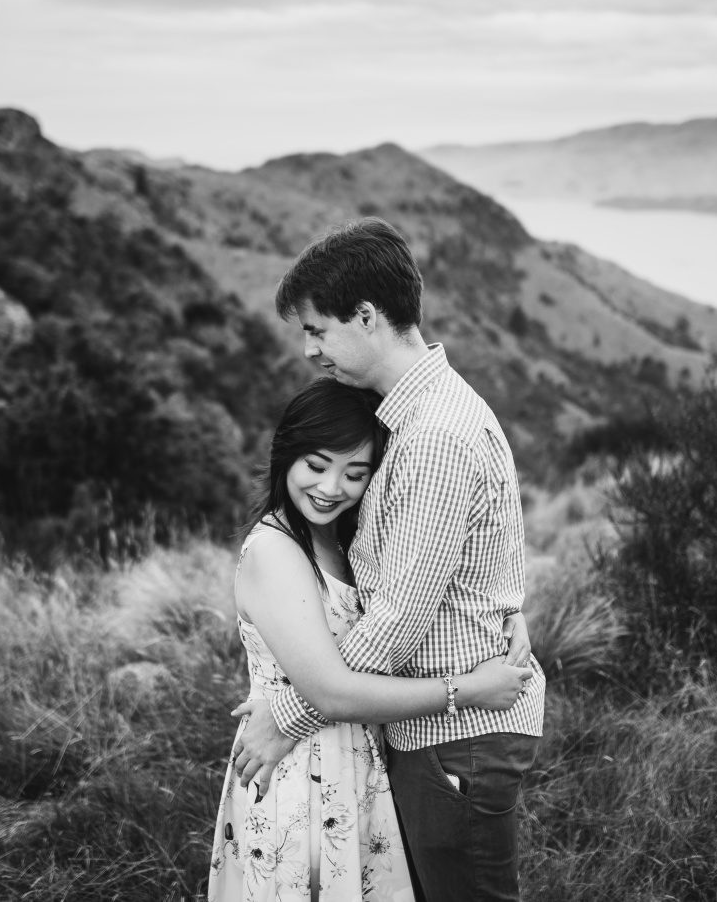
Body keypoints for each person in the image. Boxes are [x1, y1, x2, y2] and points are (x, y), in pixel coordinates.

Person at [232, 218, 546, 901]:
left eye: (317, 329)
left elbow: (397, 623)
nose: (309, 349)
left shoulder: (432, 435)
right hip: (432, 728)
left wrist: (290, 712)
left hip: (454, 735)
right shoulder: (405, 419)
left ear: (367, 316)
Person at [209, 377, 534, 901]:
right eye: (316, 465)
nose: (331, 487)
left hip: (358, 766)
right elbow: (333, 693)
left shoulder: (342, 539)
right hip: (301, 776)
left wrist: (506, 613)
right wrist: (469, 690)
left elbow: (422, 588)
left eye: (355, 474)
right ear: (285, 454)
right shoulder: (275, 550)